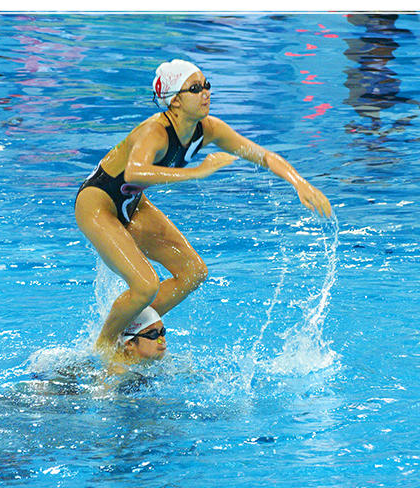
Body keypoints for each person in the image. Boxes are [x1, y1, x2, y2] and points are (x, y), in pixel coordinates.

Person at [75, 58, 332, 357]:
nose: (206, 92)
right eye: (196, 88)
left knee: (192, 272)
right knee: (145, 284)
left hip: (133, 203)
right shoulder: (154, 131)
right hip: (98, 203)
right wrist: (197, 172)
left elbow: (262, 155)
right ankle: (102, 349)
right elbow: (134, 172)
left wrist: (300, 183)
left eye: (206, 85)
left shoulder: (207, 129)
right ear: (175, 100)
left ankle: (128, 327)